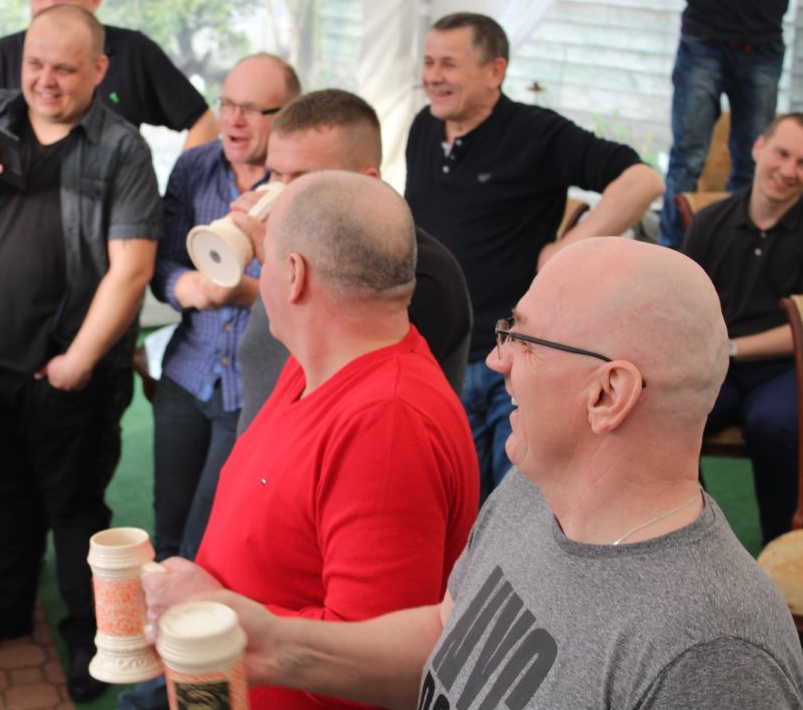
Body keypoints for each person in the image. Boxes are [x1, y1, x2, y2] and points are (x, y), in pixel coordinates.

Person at [152, 237, 803, 708]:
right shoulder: (533, 489)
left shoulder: (713, 651)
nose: (498, 361)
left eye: (524, 340)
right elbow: (451, 633)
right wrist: (272, 644)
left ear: (608, 394)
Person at [0, 4, 160, 702]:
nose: (45, 80)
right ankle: (5, 610)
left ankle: (90, 638)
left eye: (64, 69)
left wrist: (78, 361)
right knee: (7, 493)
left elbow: (132, 268)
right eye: (35, 64)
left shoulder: (121, 149)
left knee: (75, 508)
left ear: (99, 70)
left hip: (68, 371)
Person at [142, 171, 479, 710]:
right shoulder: (315, 363)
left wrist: (214, 607)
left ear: (294, 275)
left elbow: (374, 672)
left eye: (266, 258)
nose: (261, 273)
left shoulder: (387, 424)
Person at [405, 12, 664, 499]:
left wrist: (569, 247)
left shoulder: (536, 132)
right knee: (451, 504)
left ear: (495, 71)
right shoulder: (425, 126)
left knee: (516, 507)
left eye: (449, 64)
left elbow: (643, 180)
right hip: (438, 356)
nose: (433, 77)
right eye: (428, 62)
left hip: (512, 362)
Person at [237, 89, 471, 436]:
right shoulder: (299, 252)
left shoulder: (414, 275)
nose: (282, 196)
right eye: (275, 175)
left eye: (303, 180)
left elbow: (348, 388)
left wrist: (277, 264)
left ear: (367, 181)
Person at [149, 53, 300, 563]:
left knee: (212, 541)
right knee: (168, 527)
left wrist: (245, 293)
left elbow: (319, 298)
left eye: (252, 109)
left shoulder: (300, 185)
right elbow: (161, 263)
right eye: (227, 104)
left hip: (255, 390)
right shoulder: (194, 167)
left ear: (288, 114)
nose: (234, 120)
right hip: (188, 372)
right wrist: (185, 286)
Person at [684, 112, 803, 544]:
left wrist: (732, 348)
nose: (788, 171)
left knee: (773, 424)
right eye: (782, 153)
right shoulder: (710, 222)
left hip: (785, 367)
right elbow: (683, 304)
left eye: (802, 163)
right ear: (758, 148)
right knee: (670, 414)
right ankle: (694, 537)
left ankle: (780, 545)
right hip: (716, 364)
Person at [0, 0, 217, 150]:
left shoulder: (132, 52)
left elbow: (203, 122)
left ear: (99, 69)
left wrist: (178, 192)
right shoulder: (0, 56)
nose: (49, 6)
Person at [656, 0, 803, 248]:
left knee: (752, 161)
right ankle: (671, 253)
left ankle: (737, 252)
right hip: (701, 42)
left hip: (761, 47)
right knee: (687, 158)